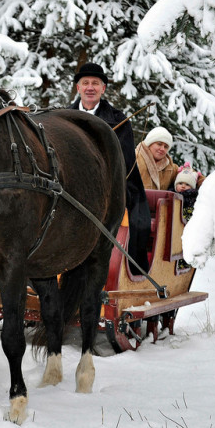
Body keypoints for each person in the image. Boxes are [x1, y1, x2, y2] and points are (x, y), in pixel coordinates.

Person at [70, 62, 151, 275]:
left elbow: (123, 161)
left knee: (134, 210)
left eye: (95, 83)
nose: (90, 87)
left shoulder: (118, 119)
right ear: (77, 88)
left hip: (110, 184)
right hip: (69, 183)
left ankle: (131, 269)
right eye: (85, 83)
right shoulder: (63, 117)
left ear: (103, 89)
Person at [136, 126, 178, 191]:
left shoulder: (171, 168)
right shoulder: (134, 158)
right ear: (149, 143)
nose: (162, 149)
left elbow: (189, 175)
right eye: (159, 144)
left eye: (166, 147)